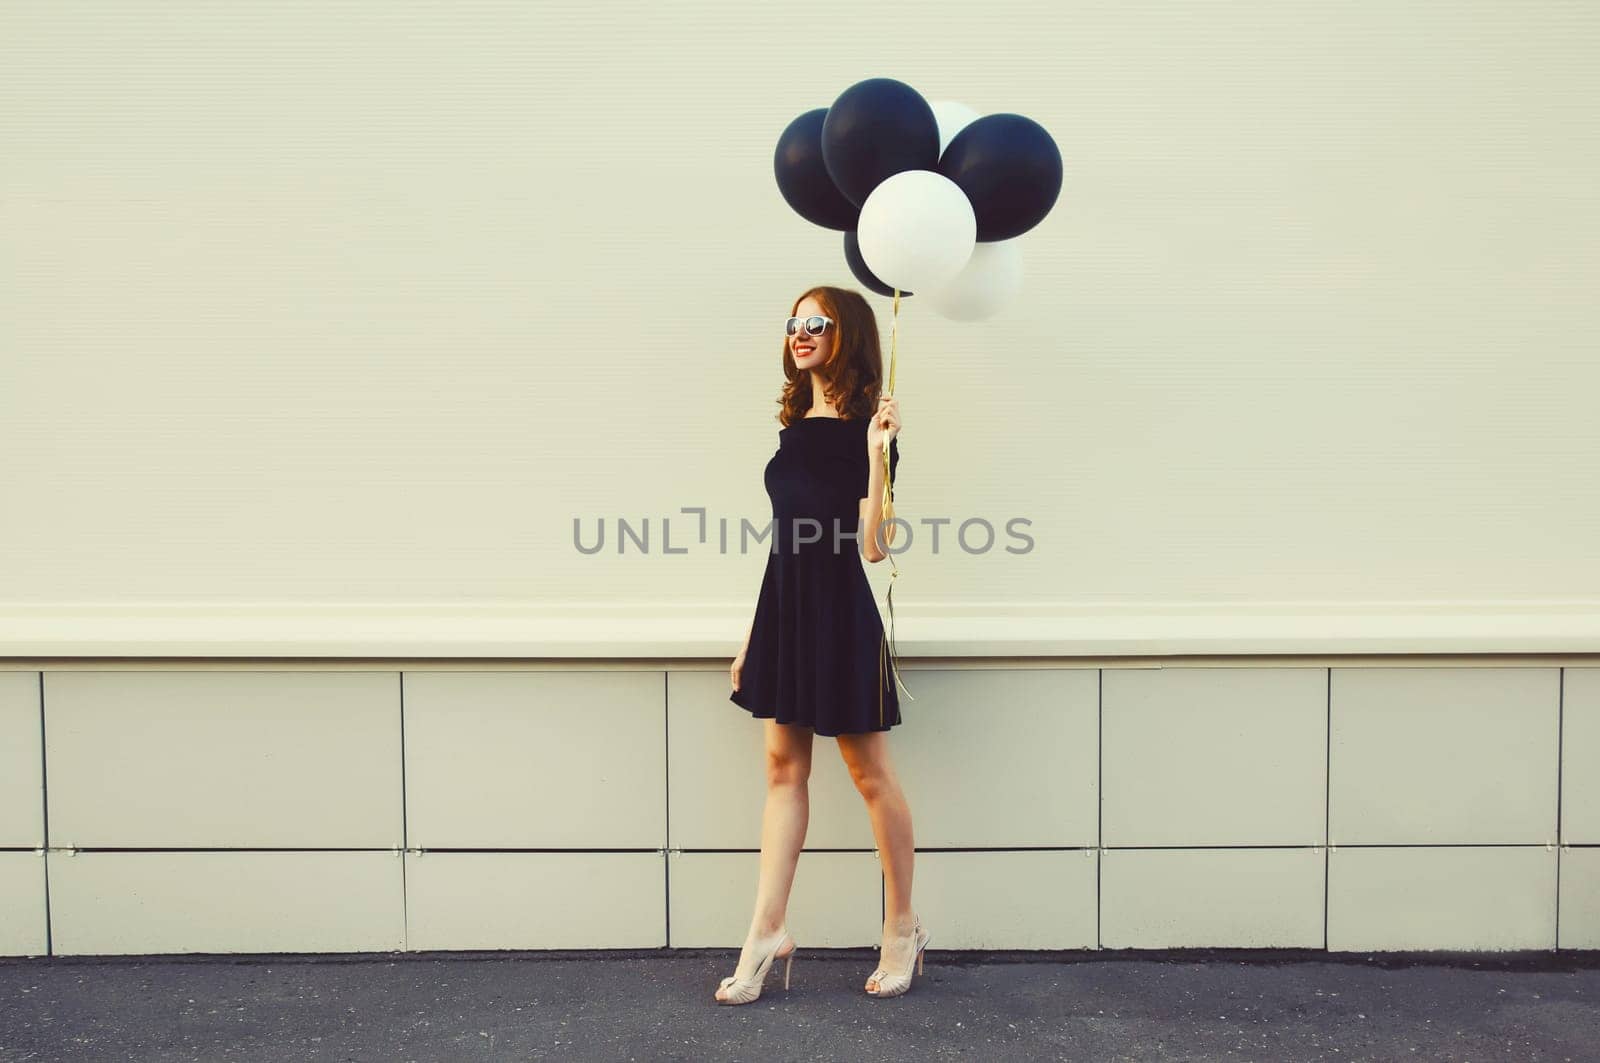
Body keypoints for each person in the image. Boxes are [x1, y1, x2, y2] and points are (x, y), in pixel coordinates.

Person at [715, 285, 929, 1005]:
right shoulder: (793, 422)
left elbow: (874, 547)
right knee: (782, 766)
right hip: (785, 607)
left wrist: (877, 453)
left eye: (818, 322)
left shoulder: (874, 424)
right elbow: (785, 543)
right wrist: (754, 635)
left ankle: (901, 925)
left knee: (869, 773)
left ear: (849, 334)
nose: (801, 333)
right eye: (794, 322)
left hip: (840, 608)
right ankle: (766, 931)